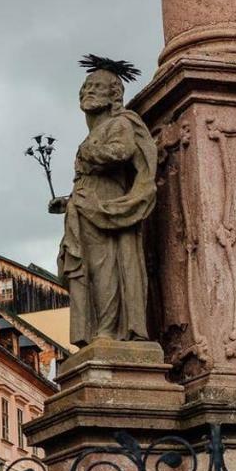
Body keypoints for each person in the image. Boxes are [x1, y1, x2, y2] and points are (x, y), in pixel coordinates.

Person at [50, 55, 158, 346]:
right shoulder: (96, 131)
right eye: (86, 86)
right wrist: (67, 201)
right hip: (84, 204)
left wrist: (89, 154)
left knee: (105, 266)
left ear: (114, 95)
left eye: (97, 86)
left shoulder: (121, 123)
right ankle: (98, 329)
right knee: (86, 269)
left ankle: (109, 330)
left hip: (108, 206)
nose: (88, 91)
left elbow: (122, 153)